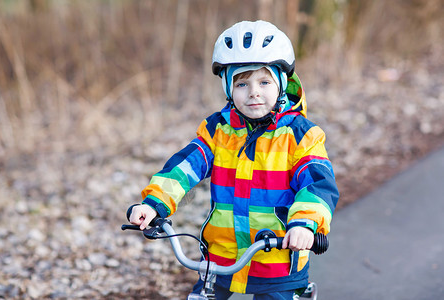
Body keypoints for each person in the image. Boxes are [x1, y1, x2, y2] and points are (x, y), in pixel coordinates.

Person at [128, 20, 339, 299]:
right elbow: (185, 168)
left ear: (282, 83)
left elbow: (317, 185)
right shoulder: (218, 130)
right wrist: (154, 204)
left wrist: (304, 224)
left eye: (264, 82)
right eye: (242, 83)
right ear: (228, 88)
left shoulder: (300, 136)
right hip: (221, 257)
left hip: (278, 260)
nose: (253, 92)